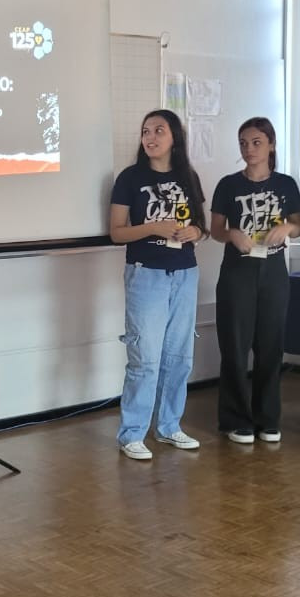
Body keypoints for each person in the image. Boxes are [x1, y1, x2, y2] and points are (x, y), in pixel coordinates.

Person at [109, 109, 208, 460]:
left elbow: (202, 228)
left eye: (158, 131)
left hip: (185, 272)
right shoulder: (130, 177)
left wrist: (194, 232)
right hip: (146, 273)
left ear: (174, 137)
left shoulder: (188, 177)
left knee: (179, 356)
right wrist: (154, 227)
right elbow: (116, 232)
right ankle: (132, 433)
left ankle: (168, 426)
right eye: (145, 131)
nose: (150, 137)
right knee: (145, 358)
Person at [210, 118, 300, 445]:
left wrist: (288, 228)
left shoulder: (286, 184)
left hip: (274, 270)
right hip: (238, 271)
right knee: (235, 347)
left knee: (270, 346)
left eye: (256, 142)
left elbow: (298, 226)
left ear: (271, 145)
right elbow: (216, 230)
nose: (249, 149)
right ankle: (235, 419)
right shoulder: (228, 185)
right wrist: (232, 234)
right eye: (243, 143)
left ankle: (268, 418)